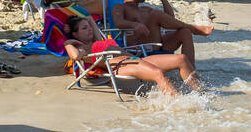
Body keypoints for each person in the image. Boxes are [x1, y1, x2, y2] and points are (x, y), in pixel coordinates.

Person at [62, 14, 201, 95]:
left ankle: (200, 92)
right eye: (84, 29)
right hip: (120, 65)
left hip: (136, 59)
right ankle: (180, 106)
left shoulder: (98, 41)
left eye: (89, 27)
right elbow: (75, 56)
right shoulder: (84, 48)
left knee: (181, 59)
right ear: (75, 34)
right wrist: (67, 42)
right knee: (158, 73)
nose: (90, 30)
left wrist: (87, 21)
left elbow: (90, 21)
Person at [111, 0, 213, 68]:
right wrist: (135, 25)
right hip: (139, 47)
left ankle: (191, 71)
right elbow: (119, 22)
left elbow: (170, 19)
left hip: (158, 43)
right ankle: (194, 28)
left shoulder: (145, 9)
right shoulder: (120, 7)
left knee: (185, 32)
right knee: (154, 14)